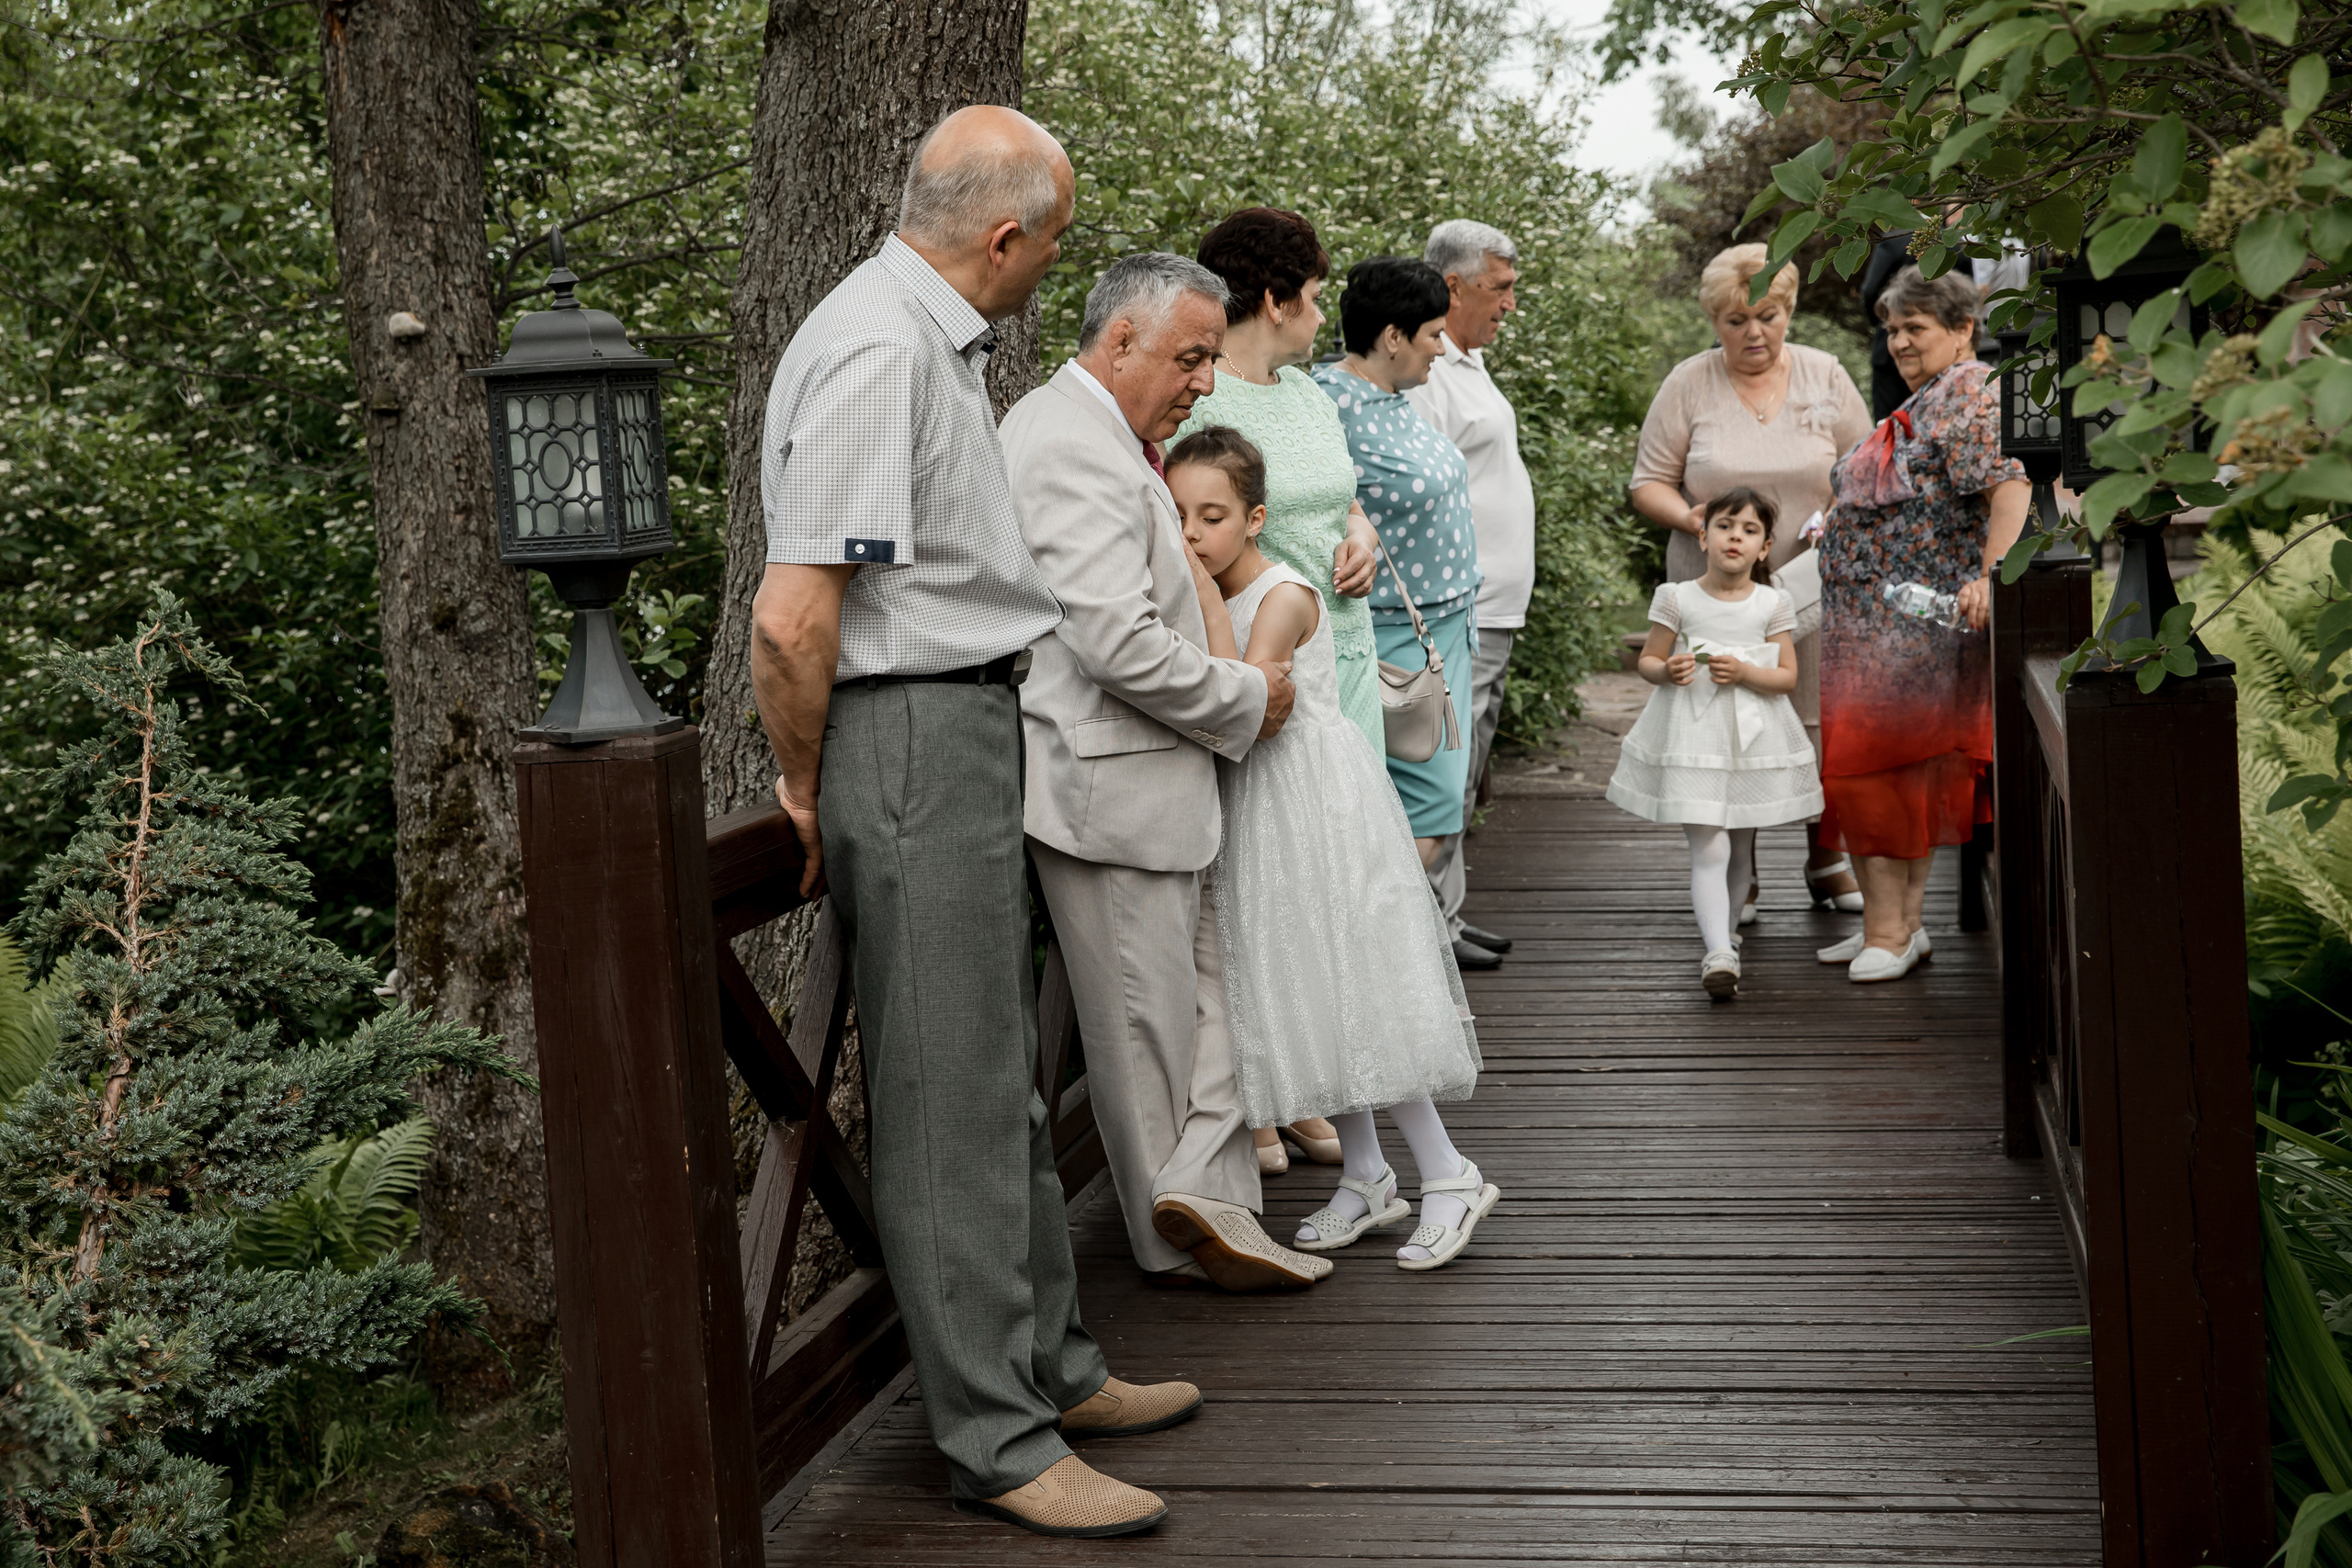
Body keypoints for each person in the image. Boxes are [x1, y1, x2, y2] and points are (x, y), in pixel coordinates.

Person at [750, 107, 1192, 1540]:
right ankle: (996, 1438)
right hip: (910, 732)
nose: (1049, 274)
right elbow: (793, 610)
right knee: (945, 1094)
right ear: (1001, 237)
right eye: (1051, 248)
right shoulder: (882, 347)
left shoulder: (920, 337)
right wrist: (810, 783)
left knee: (995, 1075)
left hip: (956, 719)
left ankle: (1051, 1368)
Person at [1000, 252, 1332, 1296]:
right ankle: (1178, 1248)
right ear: (1121, 341)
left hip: (1150, 780)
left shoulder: (1105, 436)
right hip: (1112, 785)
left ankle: (1215, 1210)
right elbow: (1116, 642)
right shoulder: (1065, 445)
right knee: (1147, 1038)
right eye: (1191, 357)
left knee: (1202, 1011)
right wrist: (1250, 698)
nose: (1206, 380)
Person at [1170, 426, 1500, 1269]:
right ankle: (1367, 1172)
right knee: (1309, 989)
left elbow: (1242, 701)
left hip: (1311, 804)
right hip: (1259, 815)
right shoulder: (1212, 580)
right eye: (1175, 515)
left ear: (1256, 519)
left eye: (1210, 516)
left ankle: (1450, 1172)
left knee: (1360, 983)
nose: (1191, 534)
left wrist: (1195, 590)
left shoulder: (1281, 595)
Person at [1173, 206, 1370, 1178]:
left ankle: (1302, 1082)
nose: (1319, 312)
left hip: (1340, 649)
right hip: (1254, 652)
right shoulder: (1212, 400)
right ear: (1274, 296)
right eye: (1315, 295)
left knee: (1320, 878)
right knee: (1250, 877)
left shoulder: (1305, 391)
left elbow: (1332, 490)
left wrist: (1360, 528)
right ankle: (1251, 1091)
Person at [1630, 244, 1873, 919]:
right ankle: (1742, 875)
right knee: (1729, 727)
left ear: (1788, 310)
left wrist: (1839, 513)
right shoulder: (1688, 383)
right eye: (1736, 320)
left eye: (1767, 315)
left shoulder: (1825, 377)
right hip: (1716, 592)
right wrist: (1692, 518)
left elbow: (1867, 470)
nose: (1754, 333)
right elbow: (1647, 481)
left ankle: (1827, 858)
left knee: (1820, 723)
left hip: (1814, 588)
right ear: (1714, 320)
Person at [1813, 265, 2030, 982]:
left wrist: (1990, 577)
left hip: (1906, 631)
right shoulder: (1932, 397)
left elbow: (2010, 486)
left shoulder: (1967, 391)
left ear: (1963, 329)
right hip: (1879, 628)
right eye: (1893, 329)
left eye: (1916, 328)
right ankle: (1899, 926)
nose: (1900, 342)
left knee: (1878, 776)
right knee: (1888, 776)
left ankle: (1888, 931)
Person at [1311, 259, 1485, 954]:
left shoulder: (1390, 399)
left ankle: (1391, 960)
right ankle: (1371, 955)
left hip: (1445, 627)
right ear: (1392, 335)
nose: (1443, 349)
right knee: (1424, 814)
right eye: (1434, 335)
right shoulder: (1326, 401)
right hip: (1390, 638)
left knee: (1438, 809)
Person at [1607, 488, 1824, 998]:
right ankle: (1718, 951)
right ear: (1702, 535)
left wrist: (1748, 671)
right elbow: (1649, 662)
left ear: (1765, 548)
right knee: (1709, 840)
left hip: (1752, 736)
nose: (1736, 538)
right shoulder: (1677, 596)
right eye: (1726, 526)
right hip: (1693, 730)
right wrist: (1669, 669)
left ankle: (1725, 933)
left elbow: (1787, 677)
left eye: (1750, 531)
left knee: (1741, 843)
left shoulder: (1774, 602)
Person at [1405, 219, 1532, 969]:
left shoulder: (1468, 362)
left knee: (1469, 758)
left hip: (1498, 604)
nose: (1510, 304)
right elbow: (1427, 489)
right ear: (1453, 285)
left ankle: (1448, 916)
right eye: (1501, 288)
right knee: (1447, 764)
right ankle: (1431, 929)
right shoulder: (1428, 372)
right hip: (1466, 605)